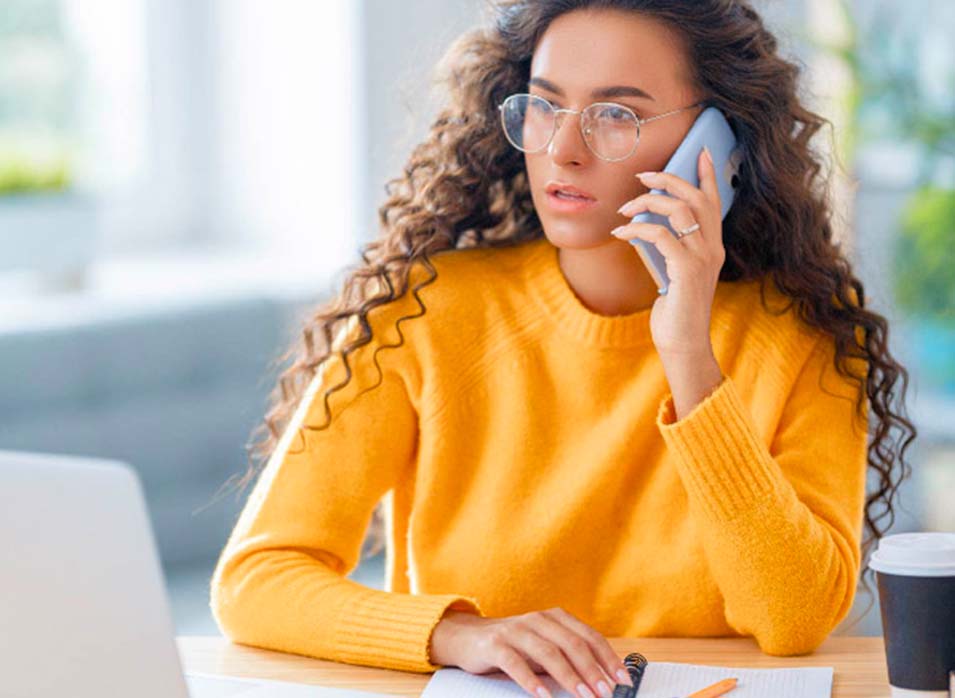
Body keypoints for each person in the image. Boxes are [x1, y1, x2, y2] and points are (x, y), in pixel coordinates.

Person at [209, 3, 917, 698]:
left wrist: (687, 354)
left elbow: (792, 619)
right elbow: (257, 581)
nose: (562, 148)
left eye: (617, 114)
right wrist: (459, 635)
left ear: (716, 145)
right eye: (544, 105)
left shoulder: (801, 339)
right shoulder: (423, 311)